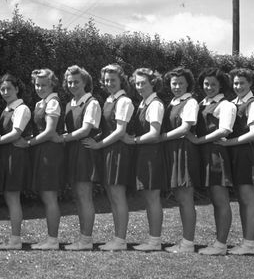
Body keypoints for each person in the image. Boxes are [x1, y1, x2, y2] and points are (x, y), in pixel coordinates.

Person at [82, 64, 134, 251]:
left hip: (117, 150)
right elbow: (107, 129)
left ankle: (120, 240)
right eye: (106, 80)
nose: (109, 83)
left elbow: (120, 131)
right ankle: (117, 238)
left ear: (121, 80)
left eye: (113, 79)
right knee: (112, 195)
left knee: (118, 195)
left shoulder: (124, 101)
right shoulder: (109, 100)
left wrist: (99, 144)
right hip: (108, 150)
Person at [185, 67, 236, 255]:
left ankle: (221, 245)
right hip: (204, 155)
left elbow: (224, 131)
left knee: (220, 200)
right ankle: (218, 242)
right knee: (214, 200)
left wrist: (198, 140)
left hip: (217, 155)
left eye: (213, 84)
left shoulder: (226, 105)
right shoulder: (201, 103)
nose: (209, 87)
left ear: (221, 85)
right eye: (206, 84)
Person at [52, 65, 102, 251]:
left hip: (84, 152)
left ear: (85, 82)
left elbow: (86, 130)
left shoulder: (92, 103)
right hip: (73, 151)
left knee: (84, 196)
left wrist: (62, 138)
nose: (72, 85)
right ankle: (83, 238)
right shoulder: (70, 103)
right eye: (69, 82)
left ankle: (86, 240)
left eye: (76, 82)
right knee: (78, 196)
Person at [216, 68, 254, 255]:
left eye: (242, 83)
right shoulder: (231, 103)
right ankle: (245, 242)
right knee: (241, 199)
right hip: (232, 154)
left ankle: (248, 244)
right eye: (235, 83)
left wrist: (228, 143)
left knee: (247, 199)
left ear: (250, 83)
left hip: (245, 154)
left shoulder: (253, 104)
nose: (238, 87)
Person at [14, 68, 65, 250]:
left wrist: (28, 143)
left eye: (44, 85)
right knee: (46, 195)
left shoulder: (53, 102)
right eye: (37, 84)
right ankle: (50, 238)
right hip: (41, 150)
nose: (40, 88)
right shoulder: (40, 103)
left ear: (52, 85)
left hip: (50, 152)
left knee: (50, 196)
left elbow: (50, 131)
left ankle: (52, 240)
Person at [0, 73, 32, 250]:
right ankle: (14, 238)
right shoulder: (7, 109)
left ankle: (16, 240)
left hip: (16, 156)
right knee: (9, 196)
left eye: (8, 88)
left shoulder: (21, 109)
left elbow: (15, 134)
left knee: (13, 197)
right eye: (2, 89)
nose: (5, 92)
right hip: (6, 154)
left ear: (17, 89)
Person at [122, 68, 165, 251]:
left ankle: (155, 241)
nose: (139, 87)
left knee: (152, 197)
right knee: (148, 197)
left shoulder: (155, 104)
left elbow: (155, 134)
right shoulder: (143, 103)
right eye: (137, 83)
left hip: (151, 154)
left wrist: (133, 140)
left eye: (143, 83)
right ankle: (152, 239)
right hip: (143, 153)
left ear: (153, 83)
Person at [160, 67, 201, 253]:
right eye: (173, 83)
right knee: (179, 196)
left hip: (184, 151)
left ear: (188, 84)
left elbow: (185, 128)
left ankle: (188, 243)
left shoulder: (190, 102)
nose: (177, 87)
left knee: (185, 198)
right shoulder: (173, 102)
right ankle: (185, 240)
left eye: (180, 83)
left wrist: (162, 137)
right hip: (173, 151)